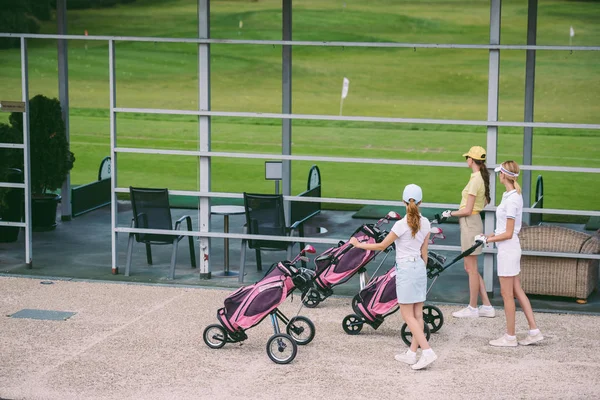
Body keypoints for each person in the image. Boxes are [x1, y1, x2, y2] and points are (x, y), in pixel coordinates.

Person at [349, 184, 437, 370]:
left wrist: (358, 245)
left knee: (408, 316)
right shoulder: (427, 223)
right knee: (417, 314)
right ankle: (412, 354)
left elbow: (381, 246)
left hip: (406, 269)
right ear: (420, 202)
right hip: (419, 268)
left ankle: (427, 351)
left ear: (403, 201)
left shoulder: (401, 225)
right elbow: (425, 253)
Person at [474, 161, 544, 347]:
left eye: (500, 173)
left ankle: (510, 337)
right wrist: (489, 235)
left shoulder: (513, 199)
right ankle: (534, 331)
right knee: (517, 291)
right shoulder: (509, 195)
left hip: (508, 250)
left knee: (507, 294)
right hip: (507, 248)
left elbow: (508, 233)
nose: (499, 176)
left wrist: (488, 240)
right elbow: (502, 229)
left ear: (504, 175)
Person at [442, 146, 495, 318]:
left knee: (471, 268)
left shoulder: (475, 180)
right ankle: (486, 306)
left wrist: (449, 213)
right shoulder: (480, 177)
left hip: (469, 223)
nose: (466, 160)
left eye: (467, 158)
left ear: (471, 160)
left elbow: (467, 209)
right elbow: (485, 202)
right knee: (470, 267)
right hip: (473, 222)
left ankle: (472, 308)